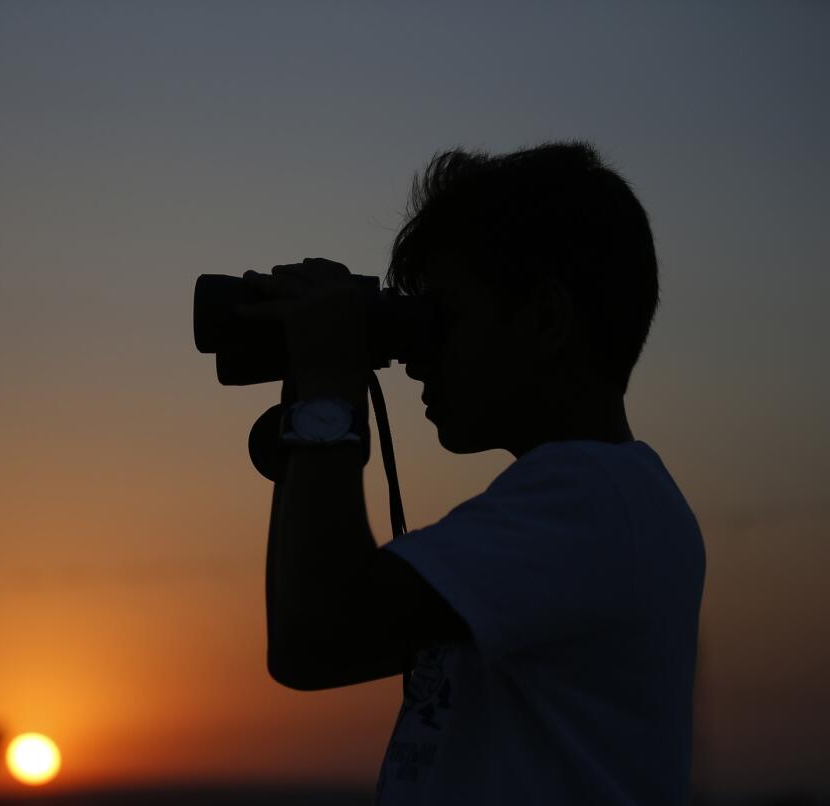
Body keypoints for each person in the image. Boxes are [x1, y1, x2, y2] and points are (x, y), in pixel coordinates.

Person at [239, 142, 706, 805]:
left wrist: (324, 384)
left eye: (444, 316)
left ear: (545, 319)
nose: (416, 358)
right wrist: (314, 387)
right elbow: (305, 642)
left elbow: (316, 633)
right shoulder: (595, 502)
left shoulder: (592, 497)